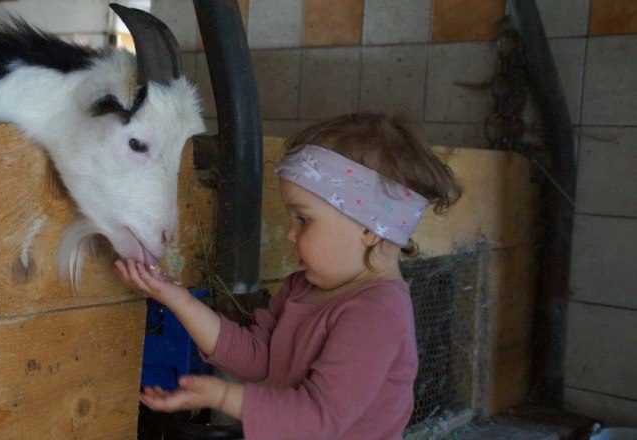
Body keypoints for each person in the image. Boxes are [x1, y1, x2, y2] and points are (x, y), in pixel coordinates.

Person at [115, 112, 462, 439]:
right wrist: (178, 299)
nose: (289, 234)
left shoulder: (376, 315)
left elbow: (317, 417)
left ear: (371, 228)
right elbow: (256, 357)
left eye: (303, 219)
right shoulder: (302, 287)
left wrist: (222, 396)